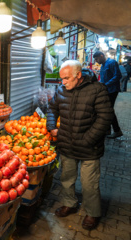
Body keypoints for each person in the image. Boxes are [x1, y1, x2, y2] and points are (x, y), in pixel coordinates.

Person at [47, 60, 113, 230]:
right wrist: (52, 127)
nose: (63, 82)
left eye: (67, 78)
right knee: (66, 179)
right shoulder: (61, 90)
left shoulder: (97, 90)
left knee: (89, 183)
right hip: (67, 145)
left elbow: (105, 118)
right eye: (62, 79)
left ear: (78, 75)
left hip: (89, 148)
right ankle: (70, 203)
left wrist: (87, 140)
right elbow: (52, 109)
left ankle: (93, 213)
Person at [93, 51, 123, 138]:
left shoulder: (112, 62)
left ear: (101, 56)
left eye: (97, 59)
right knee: (107, 110)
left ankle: (117, 130)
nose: (96, 61)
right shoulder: (103, 65)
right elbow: (103, 79)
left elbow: (118, 75)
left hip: (112, 90)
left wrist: (106, 84)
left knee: (109, 110)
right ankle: (108, 130)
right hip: (106, 90)